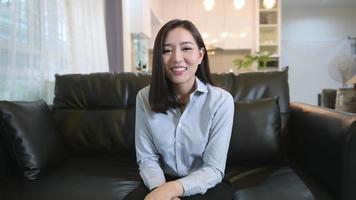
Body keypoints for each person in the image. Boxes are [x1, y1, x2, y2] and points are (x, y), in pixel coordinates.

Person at [125, 19, 234, 200]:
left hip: (206, 182)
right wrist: (160, 190)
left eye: (186, 48)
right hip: (159, 180)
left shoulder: (221, 101)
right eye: (167, 50)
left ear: (200, 55)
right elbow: (147, 159)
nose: (176, 58)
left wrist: (170, 191)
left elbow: (213, 168)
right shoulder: (144, 98)